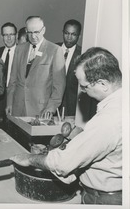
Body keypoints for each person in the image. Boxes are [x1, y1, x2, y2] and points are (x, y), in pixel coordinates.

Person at [11, 47, 122, 205]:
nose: (82, 91)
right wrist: (82, 136)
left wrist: (30, 159)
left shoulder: (108, 119)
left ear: (103, 84)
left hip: (102, 199)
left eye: (84, 87)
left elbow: (62, 163)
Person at [6, 16, 66, 118]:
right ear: (26, 31)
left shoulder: (55, 50)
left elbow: (59, 86)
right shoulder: (19, 49)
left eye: (36, 32)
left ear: (43, 30)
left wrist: (50, 109)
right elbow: (13, 80)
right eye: (30, 32)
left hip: (41, 110)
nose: (33, 36)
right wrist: (9, 103)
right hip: (17, 108)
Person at [57, 19, 82, 116]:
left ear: (79, 36)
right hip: (48, 104)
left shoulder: (82, 54)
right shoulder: (52, 49)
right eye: (66, 33)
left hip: (70, 107)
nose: (69, 38)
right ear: (62, 32)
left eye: (73, 34)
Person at [0, 22, 18, 117]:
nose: (8, 38)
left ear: (16, 35)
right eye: (5, 35)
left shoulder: (22, 53)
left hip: (15, 97)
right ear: (1, 36)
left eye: (11, 34)